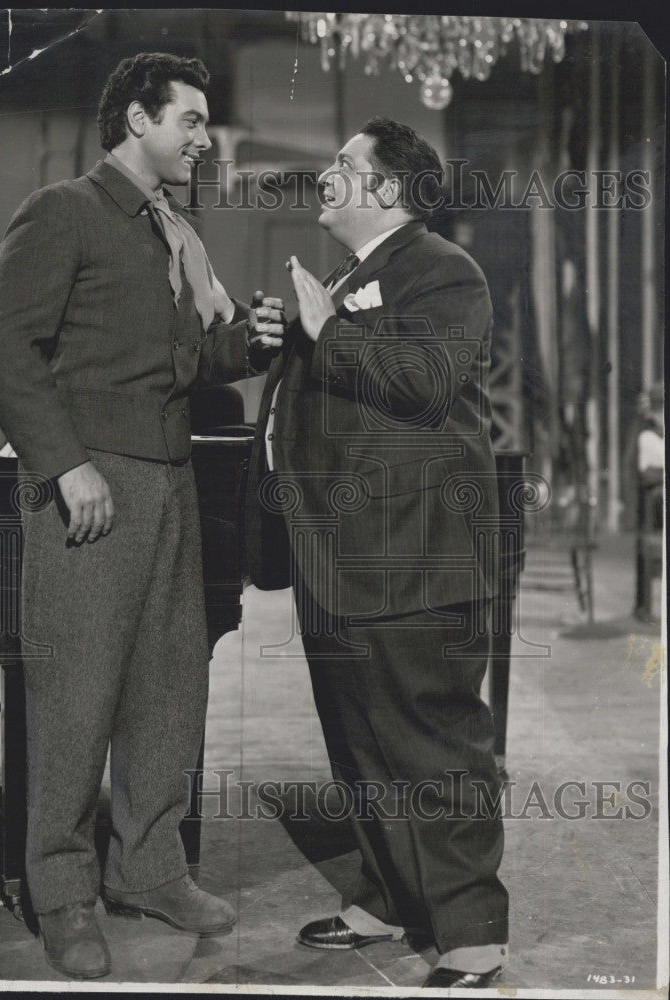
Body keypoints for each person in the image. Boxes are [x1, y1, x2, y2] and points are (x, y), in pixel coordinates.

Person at [0, 52, 284, 980]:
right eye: (187, 120)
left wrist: (243, 343)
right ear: (136, 122)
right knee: (75, 701)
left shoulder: (170, 234)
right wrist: (66, 466)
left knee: (165, 687)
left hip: (171, 483)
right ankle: (63, 896)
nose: (202, 138)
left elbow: (176, 369)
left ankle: (148, 868)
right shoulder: (64, 211)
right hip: (91, 484)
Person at [246, 117, 508, 988]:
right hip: (340, 556)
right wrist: (294, 333)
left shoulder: (443, 270)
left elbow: (425, 386)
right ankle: (389, 898)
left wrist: (329, 331)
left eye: (343, 165)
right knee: (358, 742)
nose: (325, 175)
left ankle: (472, 933)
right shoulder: (352, 275)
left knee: (433, 745)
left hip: (413, 559)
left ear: (388, 189)